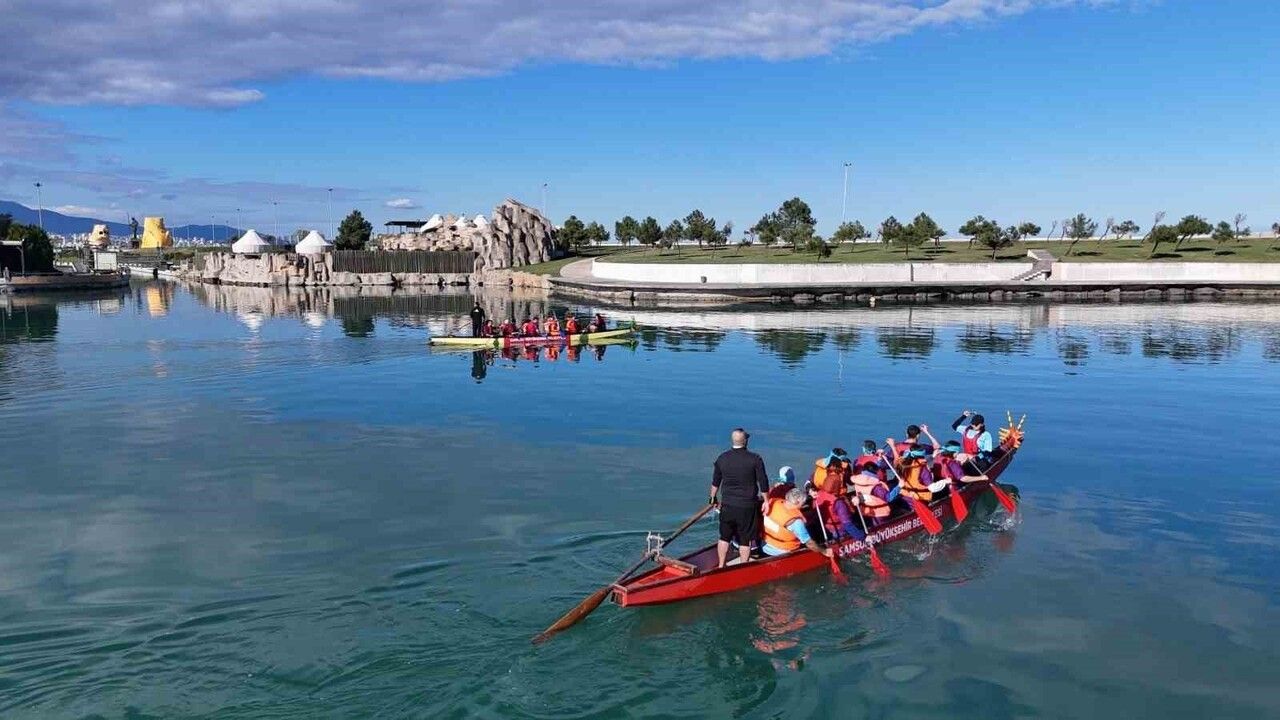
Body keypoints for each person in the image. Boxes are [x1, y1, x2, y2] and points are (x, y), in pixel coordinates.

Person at [709, 428, 770, 568]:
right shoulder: (755, 459)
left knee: (724, 537)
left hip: (727, 505)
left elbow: (715, 482)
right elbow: (763, 482)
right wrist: (766, 501)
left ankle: (721, 566)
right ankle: (743, 569)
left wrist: (712, 499)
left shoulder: (722, 458)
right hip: (747, 507)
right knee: (745, 539)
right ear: (746, 441)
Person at [762, 488, 837, 558]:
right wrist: (824, 551)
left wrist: (810, 494)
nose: (804, 504)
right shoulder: (796, 522)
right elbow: (809, 544)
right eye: (803, 502)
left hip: (765, 544)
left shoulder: (773, 502)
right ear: (797, 502)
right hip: (782, 551)